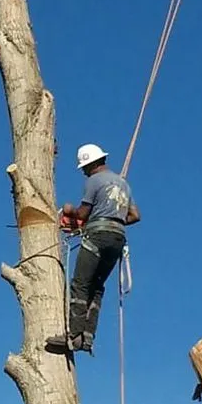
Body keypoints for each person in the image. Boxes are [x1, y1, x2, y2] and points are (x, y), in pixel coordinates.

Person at [46, 143, 140, 355]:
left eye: (84, 168)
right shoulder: (123, 184)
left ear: (90, 164)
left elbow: (82, 214)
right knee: (96, 286)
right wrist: (112, 219)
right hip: (117, 239)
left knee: (80, 283)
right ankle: (87, 338)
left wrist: (70, 210)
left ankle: (73, 335)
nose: (84, 172)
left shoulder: (94, 181)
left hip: (97, 237)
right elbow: (135, 215)